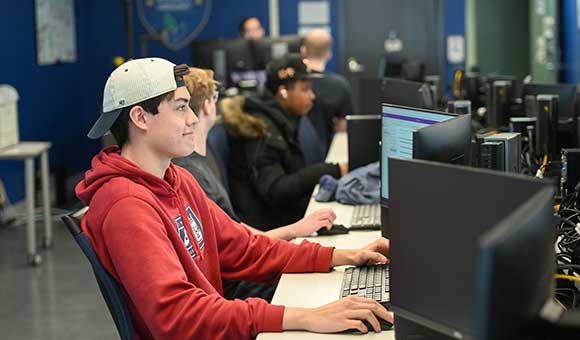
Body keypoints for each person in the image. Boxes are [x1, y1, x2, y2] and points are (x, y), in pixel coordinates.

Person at [76, 57, 392, 339]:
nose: (194, 120)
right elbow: (178, 318)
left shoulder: (177, 179)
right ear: (140, 118)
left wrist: (342, 256)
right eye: (181, 108)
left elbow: (243, 249)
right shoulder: (126, 206)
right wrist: (305, 317)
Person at [173, 67, 336, 241]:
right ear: (207, 106)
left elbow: (232, 228)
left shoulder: (200, 161)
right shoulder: (192, 173)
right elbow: (233, 243)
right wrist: (295, 230)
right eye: (216, 98)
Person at [223, 54, 348, 230]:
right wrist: (331, 170)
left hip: (282, 219)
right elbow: (276, 190)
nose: (312, 96)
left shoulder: (281, 120)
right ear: (283, 92)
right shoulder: (260, 131)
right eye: (305, 89)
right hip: (269, 231)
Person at [301, 29, 353, 148]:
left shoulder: (295, 83)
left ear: (303, 50)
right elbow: (343, 127)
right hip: (327, 152)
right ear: (329, 54)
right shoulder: (340, 85)